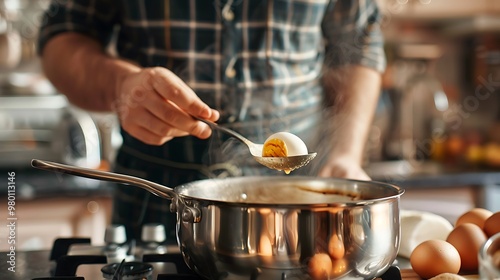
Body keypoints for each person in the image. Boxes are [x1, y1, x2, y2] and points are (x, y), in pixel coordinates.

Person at [37, 0, 385, 242]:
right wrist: (119, 85)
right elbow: (62, 37)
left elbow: (359, 41)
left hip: (302, 206)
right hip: (160, 197)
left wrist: (347, 153)